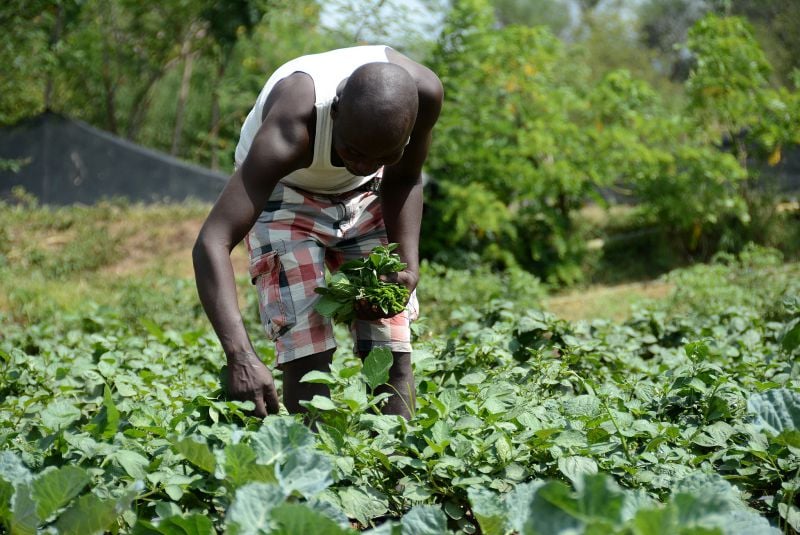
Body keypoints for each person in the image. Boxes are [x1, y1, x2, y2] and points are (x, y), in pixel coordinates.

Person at [192, 45, 443, 420]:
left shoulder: (424, 95)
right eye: (353, 150)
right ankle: (312, 465)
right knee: (306, 348)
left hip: (368, 193)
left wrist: (408, 264)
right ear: (336, 110)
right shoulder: (294, 121)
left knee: (390, 344)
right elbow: (212, 241)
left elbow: (405, 177)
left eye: (381, 156)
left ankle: (396, 467)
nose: (363, 163)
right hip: (284, 190)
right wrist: (240, 356)